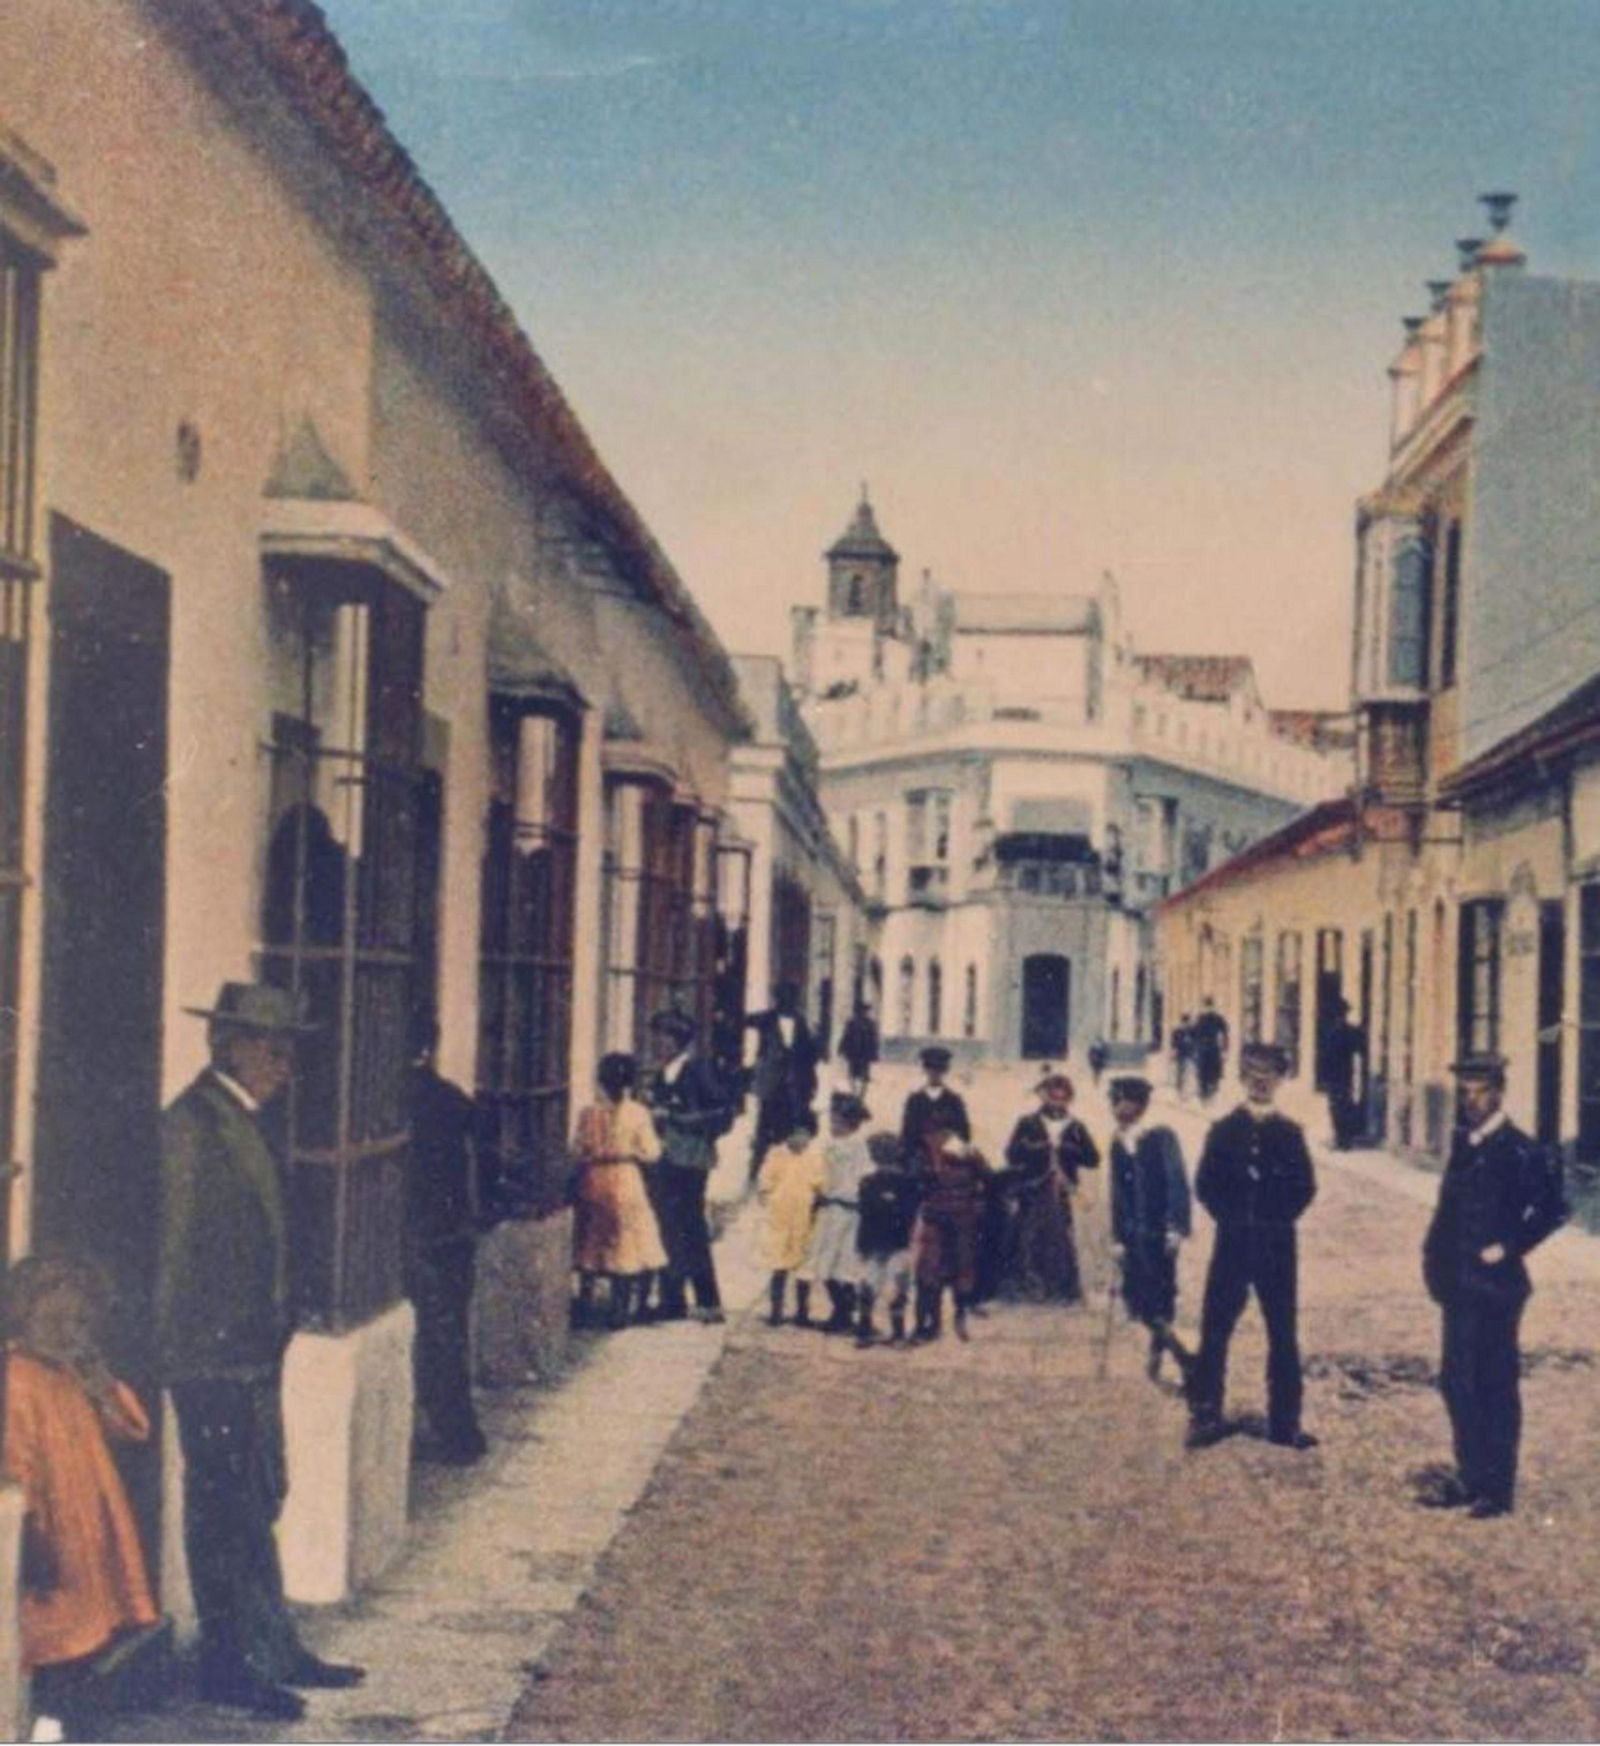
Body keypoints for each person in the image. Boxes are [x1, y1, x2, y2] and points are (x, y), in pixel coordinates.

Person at [157, 981, 364, 1719]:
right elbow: (175, 1249)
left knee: (255, 1499)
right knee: (222, 1511)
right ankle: (229, 1666)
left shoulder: (245, 1119)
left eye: (287, 1050)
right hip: (209, 1358)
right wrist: (181, 1352)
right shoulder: (191, 1125)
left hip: (249, 1354)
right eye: (267, 1048)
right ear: (227, 1047)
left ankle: (272, 1646)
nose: (282, 1063)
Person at [3, 1257, 159, 1738]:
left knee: (91, 1627)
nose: (67, 1333)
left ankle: (69, 1719)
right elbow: (15, 1460)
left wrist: (101, 1382)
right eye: (53, 1322)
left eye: (79, 1323)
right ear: (24, 1318)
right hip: (52, 1527)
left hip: (89, 1521)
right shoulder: (16, 1379)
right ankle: (49, 1722)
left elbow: (134, 1429)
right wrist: (33, 1528)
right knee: (54, 1634)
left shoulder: (74, 1376)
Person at [1420, 1052, 1568, 1518]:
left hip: (1499, 1288)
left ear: (1499, 1092)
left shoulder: (1520, 1150)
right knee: (1456, 1381)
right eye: (1464, 1092)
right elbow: (1447, 1211)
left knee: (1494, 1384)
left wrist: (1509, 1247)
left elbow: (1554, 1208)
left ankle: (1497, 1489)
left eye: (1479, 1091)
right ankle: (1471, 1475)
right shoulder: (1465, 1144)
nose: (1470, 1101)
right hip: (1460, 1285)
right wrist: (1433, 1260)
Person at [1185, 1040, 1318, 1451]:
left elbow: (1305, 1187)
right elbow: (1205, 1184)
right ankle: (1206, 1415)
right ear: (1241, 1079)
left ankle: (1285, 1423)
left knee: (1283, 1331)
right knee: (1216, 1327)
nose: (1261, 1082)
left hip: (1277, 1245)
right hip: (1232, 1243)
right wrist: (1233, 1217)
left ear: (1280, 1081)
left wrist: (1276, 1218)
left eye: (1269, 1076)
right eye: (1253, 1075)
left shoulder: (1291, 1134)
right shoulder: (1224, 1131)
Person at [406, 1012, 487, 1466]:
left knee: (427, 1334)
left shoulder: (384, 1098)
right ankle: (459, 1433)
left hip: (406, 1232)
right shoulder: (453, 1100)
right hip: (451, 1232)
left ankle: (439, 1428)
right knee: (447, 1335)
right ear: (429, 1049)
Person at [570, 1053, 667, 1330]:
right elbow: (652, 1153)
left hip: (594, 1178)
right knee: (626, 1240)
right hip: (625, 1177)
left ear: (601, 1080)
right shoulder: (638, 1113)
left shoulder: (588, 1113)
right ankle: (619, 1308)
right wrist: (633, 1150)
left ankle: (585, 1303)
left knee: (591, 1238)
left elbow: (577, 1149)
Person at [1107, 1076, 1194, 1382]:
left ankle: (1169, 1356)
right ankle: (1175, 1353)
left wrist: (1176, 1226)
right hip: (1132, 1234)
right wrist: (1117, 1237)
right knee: (1136, 1299)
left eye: (1125, 1101)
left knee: (1160, 1296)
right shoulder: (1117, 1142)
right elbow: (1117, 1193)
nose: (1119, 1108)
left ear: (1141, 1105)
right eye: (1114, 1101)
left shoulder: (1160, 1137)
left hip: (1159, 1230)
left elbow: (1176, 1181)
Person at [645, 1010, 729, 1324]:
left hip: (691, 1158)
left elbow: (723, 1113)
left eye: (665, 1038)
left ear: (678, 1041)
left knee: (691, 1227)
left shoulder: (697, 1070)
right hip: (667, 1156)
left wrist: (677, 1118)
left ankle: (708, 1301)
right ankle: (673, 1299)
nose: (659, 1044)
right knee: (669, 1227)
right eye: (658, 1038)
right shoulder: (663, 1072)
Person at [997, 1071, 1100, 1304]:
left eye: (1063, 1099)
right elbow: (1011, 1154)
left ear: (1069, 1099)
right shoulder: (1027, 1122)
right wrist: (1038, 1148)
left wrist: (1068, 1150)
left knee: (1061, 1237)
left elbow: (1093, 1158)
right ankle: (1028, 1286)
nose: (1057, 1103)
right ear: (1043, 1097)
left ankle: (1060, 1288)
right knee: (1029, 1236)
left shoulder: (1075, 1127)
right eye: (1052, 1098)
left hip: (1062, 1190)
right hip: (1033, 1187)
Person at [912, 1128, 992, 1342]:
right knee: (937, 1270)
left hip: (955, 1219)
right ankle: (938, 1322)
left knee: (941, 1270)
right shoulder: (934, 1154)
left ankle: (936, 1323)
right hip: (945, 1219)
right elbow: (989, 1180)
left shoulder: (965, 1155)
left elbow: (988, 1181)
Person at [807, 1093, 873, 1332]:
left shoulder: (857, 1146)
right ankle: (841, 1310)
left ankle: (845, 1312)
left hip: (847, 1212)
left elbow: (862, 1178)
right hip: (829, 1209)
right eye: (831, 1122)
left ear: (850, 1124)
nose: (833, 1127)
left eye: (837, 1123)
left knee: (842, 1265)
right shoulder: (829, 1145)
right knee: (826, 1264)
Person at [745, 982, 821, 1173]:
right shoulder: (766, 1019)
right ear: (778, 1000)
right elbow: (742, 1020)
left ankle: (786, 1173)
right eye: (784, 998)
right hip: (771, 1084)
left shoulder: (801, 1022)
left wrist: (810, 1085)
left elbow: (809, 1057)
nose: (788, 1002)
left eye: (791, 999)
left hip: (793, 1086)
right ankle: (756, 1172)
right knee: (764, 1130)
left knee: (790, 1129)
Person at [756, 1117, 826, 1327]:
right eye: (795, 1133)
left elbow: (820, 1183)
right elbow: (765, 1182)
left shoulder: (814, 1156)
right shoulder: (776, 1153)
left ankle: (802, 1312)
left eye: (804, 1134)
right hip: (780, 1216)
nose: (799, 1138)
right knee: (779, 1263)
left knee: (804, 1264)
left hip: (804, 1216)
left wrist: (817, 1202)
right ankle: (776, 1310)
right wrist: (769, 1198)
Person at [854, 1132, 921, 1347]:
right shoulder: (869, 1182)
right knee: (871, 1285)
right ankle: (869, 1329)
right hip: (880, 1241)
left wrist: (885, 1204)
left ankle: (894, 1332)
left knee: (894, 1285)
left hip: (893, 1241)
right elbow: (867, 1210)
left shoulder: (906, 1183)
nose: (883, 1160)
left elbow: (907, 1212)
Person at [899, 1046, 970, 1162]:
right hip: (920, 1154)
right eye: (931, 1068)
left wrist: (945, 1141)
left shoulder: (954, 1101)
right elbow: (907, 1133)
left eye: (939, 1069)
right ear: (925, 1070)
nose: (934, 1073)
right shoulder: (915, 1100)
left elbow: (964, 1133)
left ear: (945, 1071)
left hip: (949, 1155)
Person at [1320, 998, 1366, 1150]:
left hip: (1338, 1076)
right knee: (1342, 1106)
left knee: (1338, 1107)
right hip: (1344, 1075)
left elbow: (1325, 1056)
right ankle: (1343, 1138)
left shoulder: (1333, 1032)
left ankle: (1342, 1139)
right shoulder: (1349, 1031)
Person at [1190, 997, 1229, 1103]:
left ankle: (1206, 1095)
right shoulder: (1215, 1018)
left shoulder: (1202, 1018)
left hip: (1206, 1048)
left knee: (1207, 1072)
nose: (1207, 1008)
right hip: (1210, 1047)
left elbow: (1194, 1034)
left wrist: (1225, 1048)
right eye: (1207, 1006)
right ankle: (1206, 1094)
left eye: (1207, 1006)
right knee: (1208, 1072)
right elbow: (1225, 1033)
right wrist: (1225, 1048)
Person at [837, 1002, 880, 1097]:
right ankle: (858, 1093)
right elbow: (846, 1036)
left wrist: (841, 1048)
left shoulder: (857, 1023)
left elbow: (873, 1039)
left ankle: (857, 1092)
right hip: (859, 1053)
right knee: (859, 1074)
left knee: (857, 1074)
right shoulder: (865, 1023)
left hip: (857, 1052)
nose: (864, 1013)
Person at [1171, 1015, 1194, 1098]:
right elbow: (1174, 1044)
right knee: (1180, 1073)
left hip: (1190, 1054)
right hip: (1181, 1054)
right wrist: (1174, 1053)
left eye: (1187, 1023)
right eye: (1185, 1023)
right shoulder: (1177, 1031)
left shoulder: (1192, 1031)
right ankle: (1180, 1091)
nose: (1186, 1025)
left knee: (1189, 1073)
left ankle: (1187, 1091)